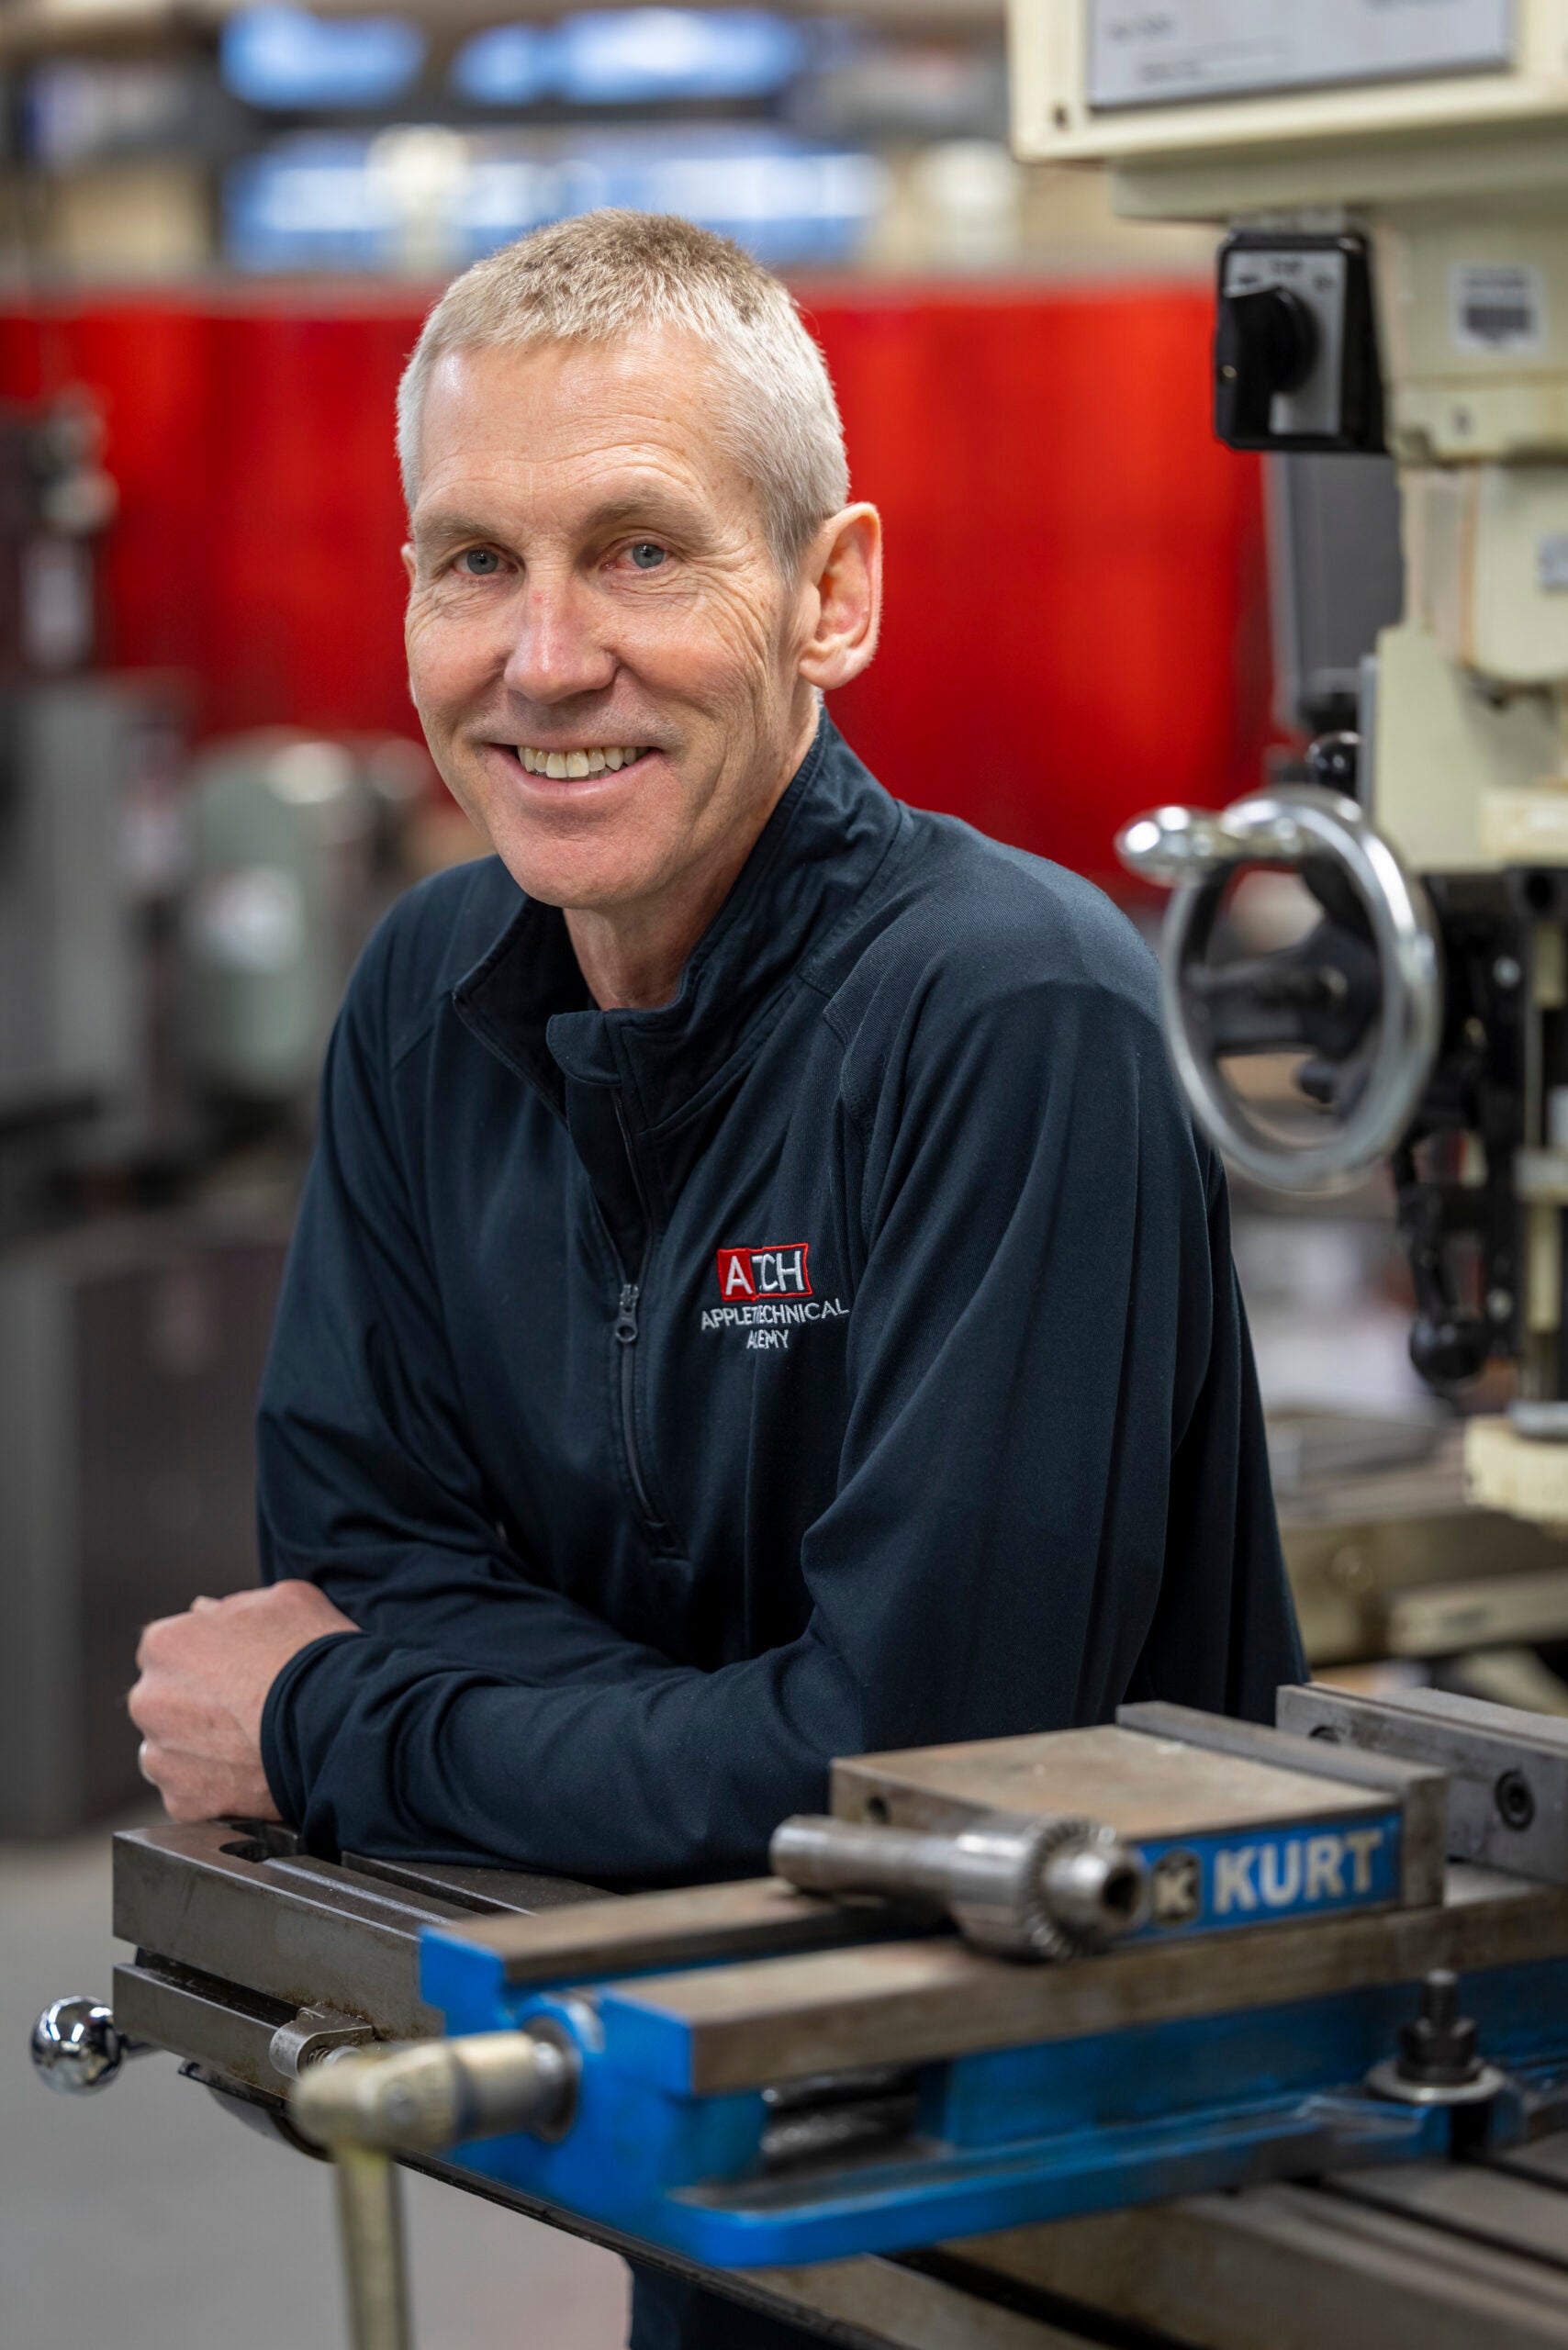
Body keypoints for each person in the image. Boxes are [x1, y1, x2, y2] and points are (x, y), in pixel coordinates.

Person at [129, 209, 1305, 2349]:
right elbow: (375, 1550)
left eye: (643, 551)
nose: (544, 657)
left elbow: (925, 1766)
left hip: (1095, 2198)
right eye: (472, 561)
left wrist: (327, 1717)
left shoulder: (1006, 1011)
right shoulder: (422, 991)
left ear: (830, 591)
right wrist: (695, 1737)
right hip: (710, 2148)